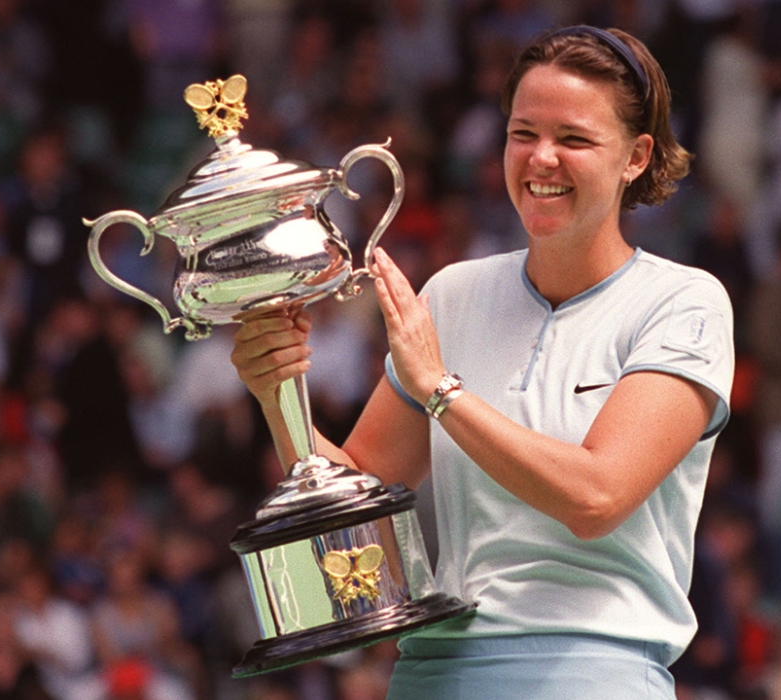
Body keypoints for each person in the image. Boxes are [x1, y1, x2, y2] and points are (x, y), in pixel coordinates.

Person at [231, 25, 734, 699]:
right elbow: (355, 501)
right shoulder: (453, 293)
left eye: (574, 139)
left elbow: (596, 497)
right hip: (431, 674)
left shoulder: (684, 302)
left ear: (636, 156)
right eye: (523, 133)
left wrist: (440, 390)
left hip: (595, 670)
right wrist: (276, 392)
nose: (541, 159)